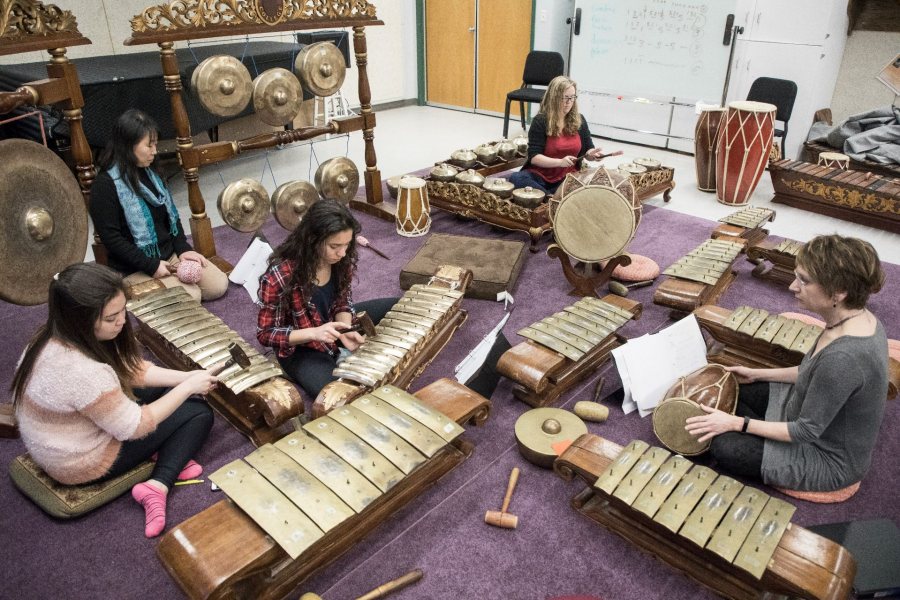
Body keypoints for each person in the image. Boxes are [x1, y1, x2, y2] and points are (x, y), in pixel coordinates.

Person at [11, 263, 219, 538]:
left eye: (123, 310)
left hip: (60, 441)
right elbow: (136, 427)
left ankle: (165, 449)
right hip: (80, 464)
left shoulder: (48, 337)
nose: (122, 322)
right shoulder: (85, 373)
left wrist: (185, 376)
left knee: (162, 393)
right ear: (81, 319)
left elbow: (129, 368)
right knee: (197, 411)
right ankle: (157, 486)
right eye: (111, 318)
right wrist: (188, 388)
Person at [685, 235, 888, 492]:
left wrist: (737, 424)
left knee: (724, 447)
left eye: (804, 280)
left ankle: (738, 426)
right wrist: (757, 373)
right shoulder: (854, 317)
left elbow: (805, 432)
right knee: (736, 387)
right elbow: (810, 370)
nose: (793, 286)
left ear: (839, 293)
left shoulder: (844, 358)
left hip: (824, 455)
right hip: (802, 407)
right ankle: (740, 421)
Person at [257, 199, 396, 399]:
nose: (342, 252)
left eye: (347, 244)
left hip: (330, 327)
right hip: (302, 348)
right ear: (313, 239)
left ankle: (342, 351)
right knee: (334, 395)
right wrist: (314, 333)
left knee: (398, 307)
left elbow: (342, 299)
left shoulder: (341, 258)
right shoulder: (279, 276)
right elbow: (266, 334)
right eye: (335, 246)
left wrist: (344, 330)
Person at [90, 109, 228, 302]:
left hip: (169, 256)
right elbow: (112, 239)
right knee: (191, 297)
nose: (155, 151)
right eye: (149, 145)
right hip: (134, 268)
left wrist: (183, 249)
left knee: (217, 285)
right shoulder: (105, 186)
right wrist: (151, 266)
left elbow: (172, 218)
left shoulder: (151, 172)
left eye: (155, 144)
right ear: (128, 145)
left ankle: (171, 287)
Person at [509, 75, 612, 195]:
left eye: (572, 97)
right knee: (516, 178)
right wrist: (559, 162)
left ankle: (546, 196)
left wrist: (593, 155)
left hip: (567, 177)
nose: (569, 102)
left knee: (593, 182)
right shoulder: (541, 121)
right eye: (565, 98)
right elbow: (534, 158)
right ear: (554, 98)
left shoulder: (580, 120)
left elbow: (588, 150)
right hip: (540, 176)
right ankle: (551, 196)